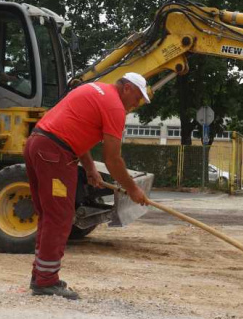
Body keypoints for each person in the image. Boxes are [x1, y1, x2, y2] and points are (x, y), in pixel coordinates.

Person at [23, 72, 151, 300]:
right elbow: (113, 159)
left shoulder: (94, 90)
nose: (137, 104)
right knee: (60, 217)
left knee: (48, 214)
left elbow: (73, 130)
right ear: (128, 88)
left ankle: (42, 275)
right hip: (55, 154)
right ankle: (46, 282)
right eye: (138, 97)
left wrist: (90, 168)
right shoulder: (115, 107)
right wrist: (133, 189)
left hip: (38, 145)